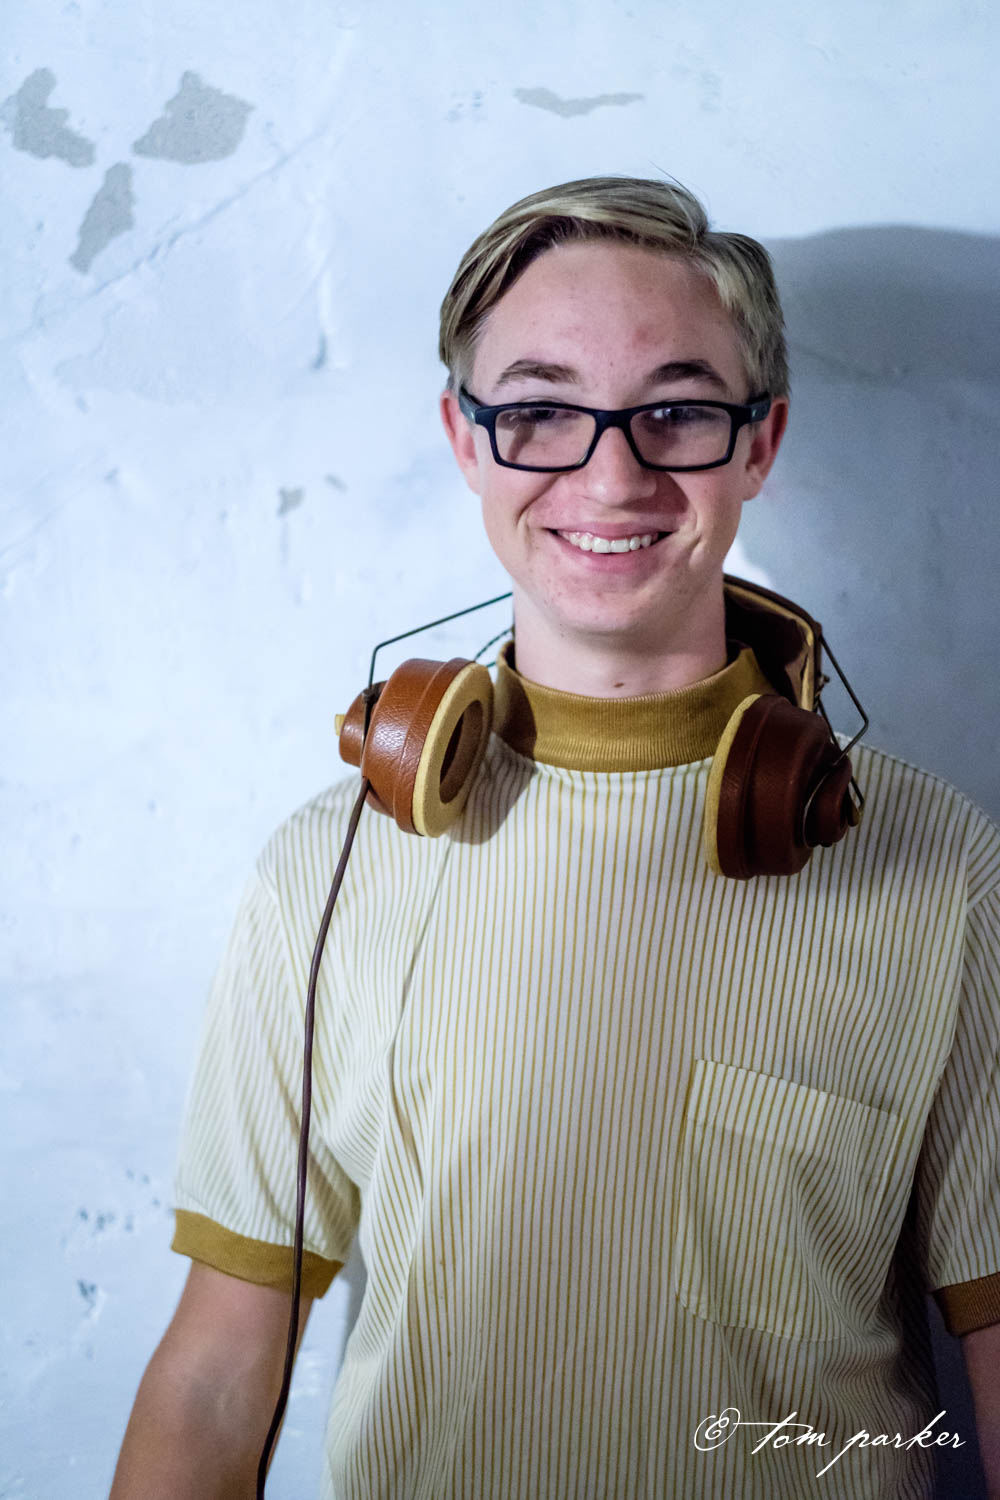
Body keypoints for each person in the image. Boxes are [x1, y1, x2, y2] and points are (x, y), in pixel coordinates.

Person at [110, 176, 1000, 1499]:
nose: (612, 474)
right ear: (466, 441)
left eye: (678, 410)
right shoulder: (325, 866)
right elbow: (215, 1378)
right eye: (539, 411)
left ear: (760, 443)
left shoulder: (941, 863)